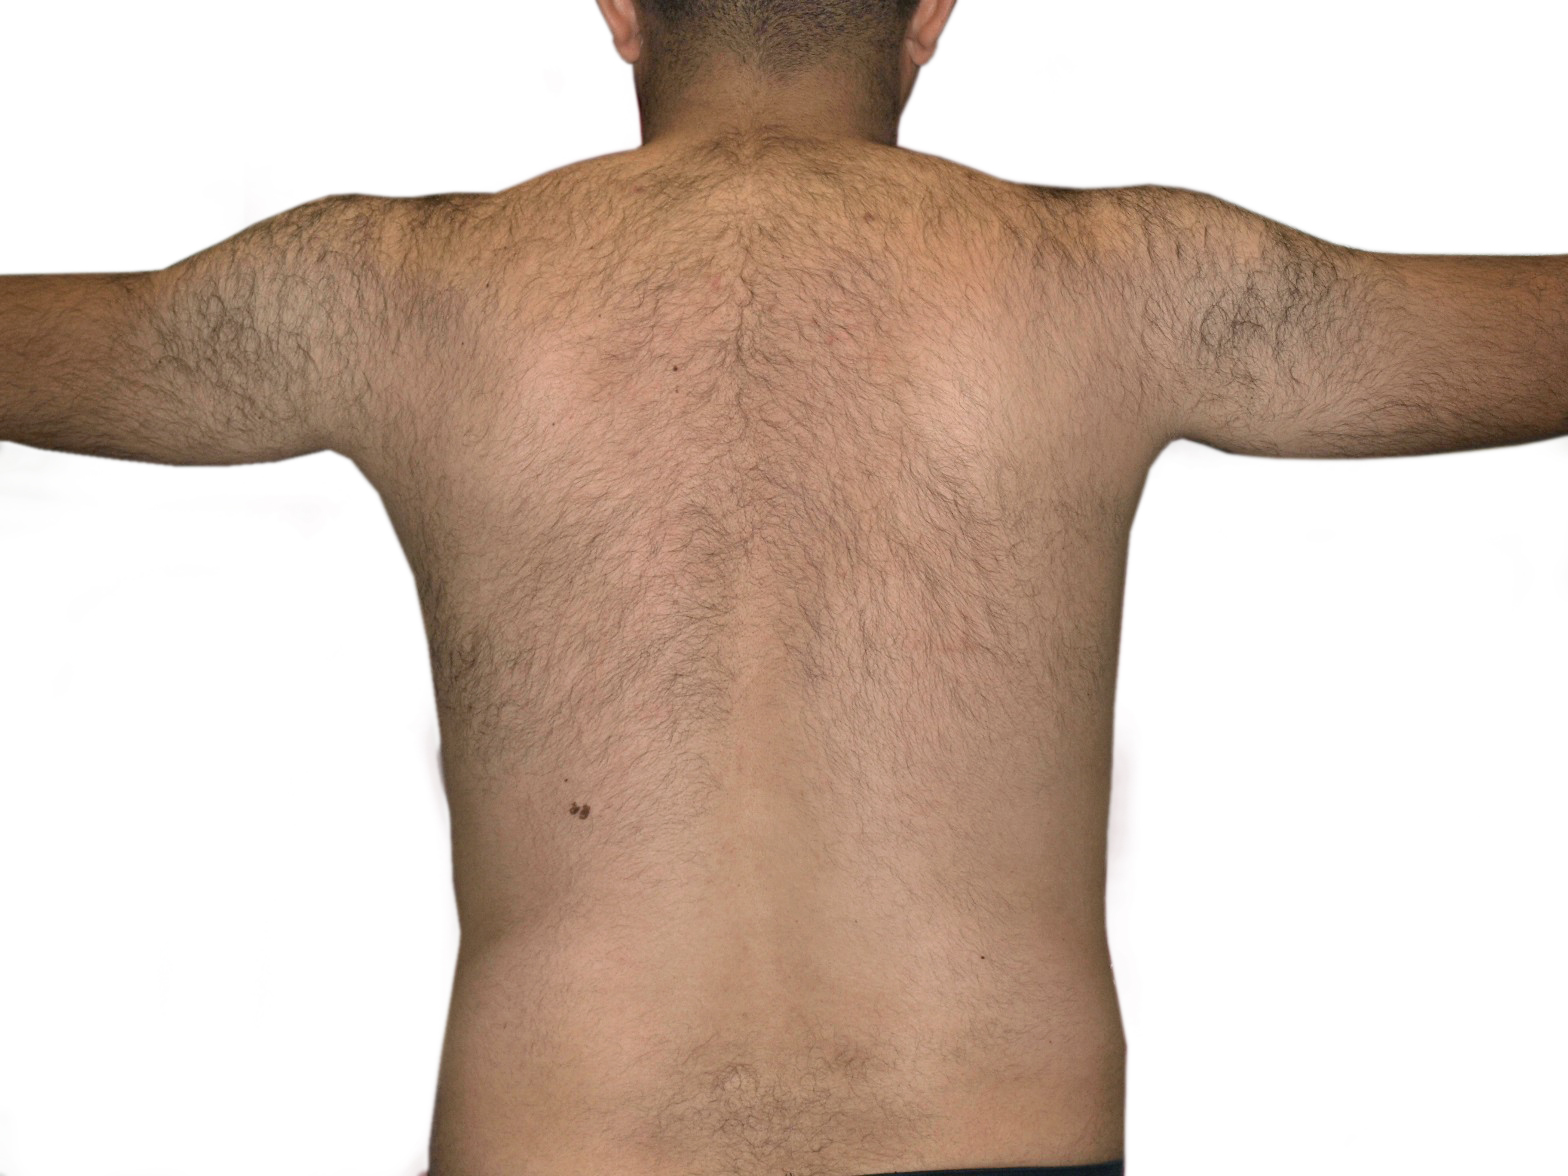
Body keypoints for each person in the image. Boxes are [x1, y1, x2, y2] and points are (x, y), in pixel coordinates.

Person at [1, 1, 1562, 1173]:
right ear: (929, 12)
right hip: (993, 1138)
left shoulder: (387, 293)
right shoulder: (1132, 283)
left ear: (621, 8)